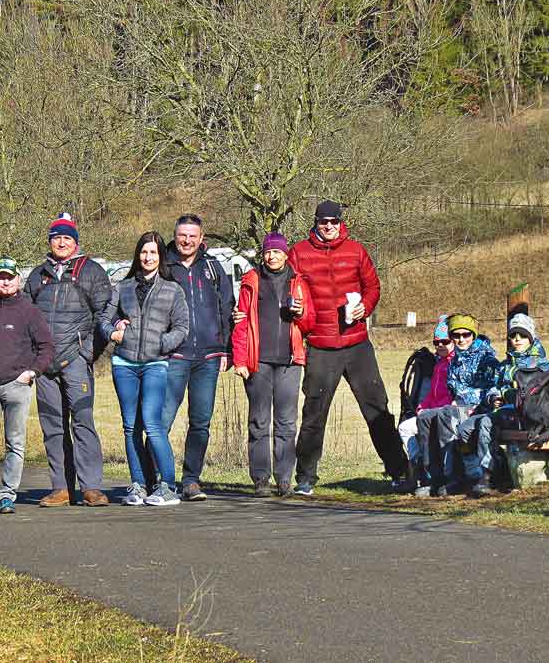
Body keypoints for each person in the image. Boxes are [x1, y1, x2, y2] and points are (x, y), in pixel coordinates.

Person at [288, 199, 405, 496]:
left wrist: (364, 308)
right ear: (315, 222)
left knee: (377, 408)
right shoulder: (299, 253)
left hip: (357, 345)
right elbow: (286, 288)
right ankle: (305, 478)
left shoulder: (356, 250)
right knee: (315, 413)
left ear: (341, 222)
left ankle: (400, 470)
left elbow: (373, 287)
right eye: (323, 222)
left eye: (333, 222)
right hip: (320, 344)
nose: (329, 227)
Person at [25, 213, 114, 507]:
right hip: (44, 364)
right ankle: (61, 487)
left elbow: (106, 314)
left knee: (83, 422)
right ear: (49, 241)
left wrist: (87, 352)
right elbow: (26, 317)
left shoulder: (92, 271)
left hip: (76, 360)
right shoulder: (38, 275)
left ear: (75, 242)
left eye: (66, 238)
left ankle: (91, 487)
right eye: (56, 238)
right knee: (52, 425)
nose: (61, 242)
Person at [104, 232, 190, 507]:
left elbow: (182, 328)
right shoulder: (122, 287)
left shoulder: (172, 289)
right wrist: (113, 333)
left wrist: (161, 343)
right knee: (131, 427)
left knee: (152, 425)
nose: (148, 257)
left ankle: (167, 485)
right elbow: (104, 319)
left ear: (161, 257)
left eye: (153, 252)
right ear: (137, 254)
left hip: (155, 364)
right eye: (143, 252)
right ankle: (138, 485)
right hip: (124, 364)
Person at [0, 257, 54, 516]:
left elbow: (47, 347)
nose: (5, 281)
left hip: (17, 386)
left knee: (15, 443)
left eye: (10, 277)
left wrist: (32, 372)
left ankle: (7, 495)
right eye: (1, 277)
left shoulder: (30, 311)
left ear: (18, 279)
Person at [155, 214, 234, 501]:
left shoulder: (213, 267)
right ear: (174, 235)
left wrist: (227, 349)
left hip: (209, 356)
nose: (187, 240)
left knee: (200, 421)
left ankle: (190, 480)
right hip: (173, 355)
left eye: (193, 236)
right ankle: (161, 479)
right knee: (162, 420)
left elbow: (227, 307)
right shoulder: (163, 267)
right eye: (182, 235)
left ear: (201, 238)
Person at [232, 232, 316, 497]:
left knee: (286, 423)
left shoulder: (298, 282)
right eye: (268, 252)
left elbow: (309, 324)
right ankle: (260, 479)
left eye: (277, 252)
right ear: (263, 254)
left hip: (290, 362)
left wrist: (301, 314)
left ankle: (284, 479)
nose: (272, 256)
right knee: (258, 421)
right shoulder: (251, 281)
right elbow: (241, 323)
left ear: (285, 254)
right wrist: (240, 359)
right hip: (258, 362)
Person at [465, 313, 549, 498]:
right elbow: (495, 386)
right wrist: (494, 397)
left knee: (486, 423)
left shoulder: (539, 364)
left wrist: (505, 395)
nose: (517, 339)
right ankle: (494, 469)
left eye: (522, 335)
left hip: (528, 416)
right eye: (513, 335)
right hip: (503, 411)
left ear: (531, 337)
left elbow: (529, 394)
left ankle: (487, 476)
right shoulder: (506, 364)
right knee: (465, 428)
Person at [415, 313, 498, 497]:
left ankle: (453, 477)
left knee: (447, 415)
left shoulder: (486, 358)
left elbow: (493, 387)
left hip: (479, 408)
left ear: (473, 335)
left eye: (465, 335)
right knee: (425, 418)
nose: (461, 339)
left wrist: (464, 400)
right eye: (456, 335)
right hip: (458, 406)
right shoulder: (455, 360)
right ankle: (433, 477)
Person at [392, 315, 454, 495]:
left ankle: (430, 474)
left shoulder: (454, 364)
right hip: (429, 411)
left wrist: (431, 410)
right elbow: (431, 395)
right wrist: (422, 406)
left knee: (422, 427)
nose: (440, 345)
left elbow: (451, 397)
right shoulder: (438, 364)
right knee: (405, 428)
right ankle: (417, 466)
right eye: (437, 342)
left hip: (445, 412)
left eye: (445, 341)